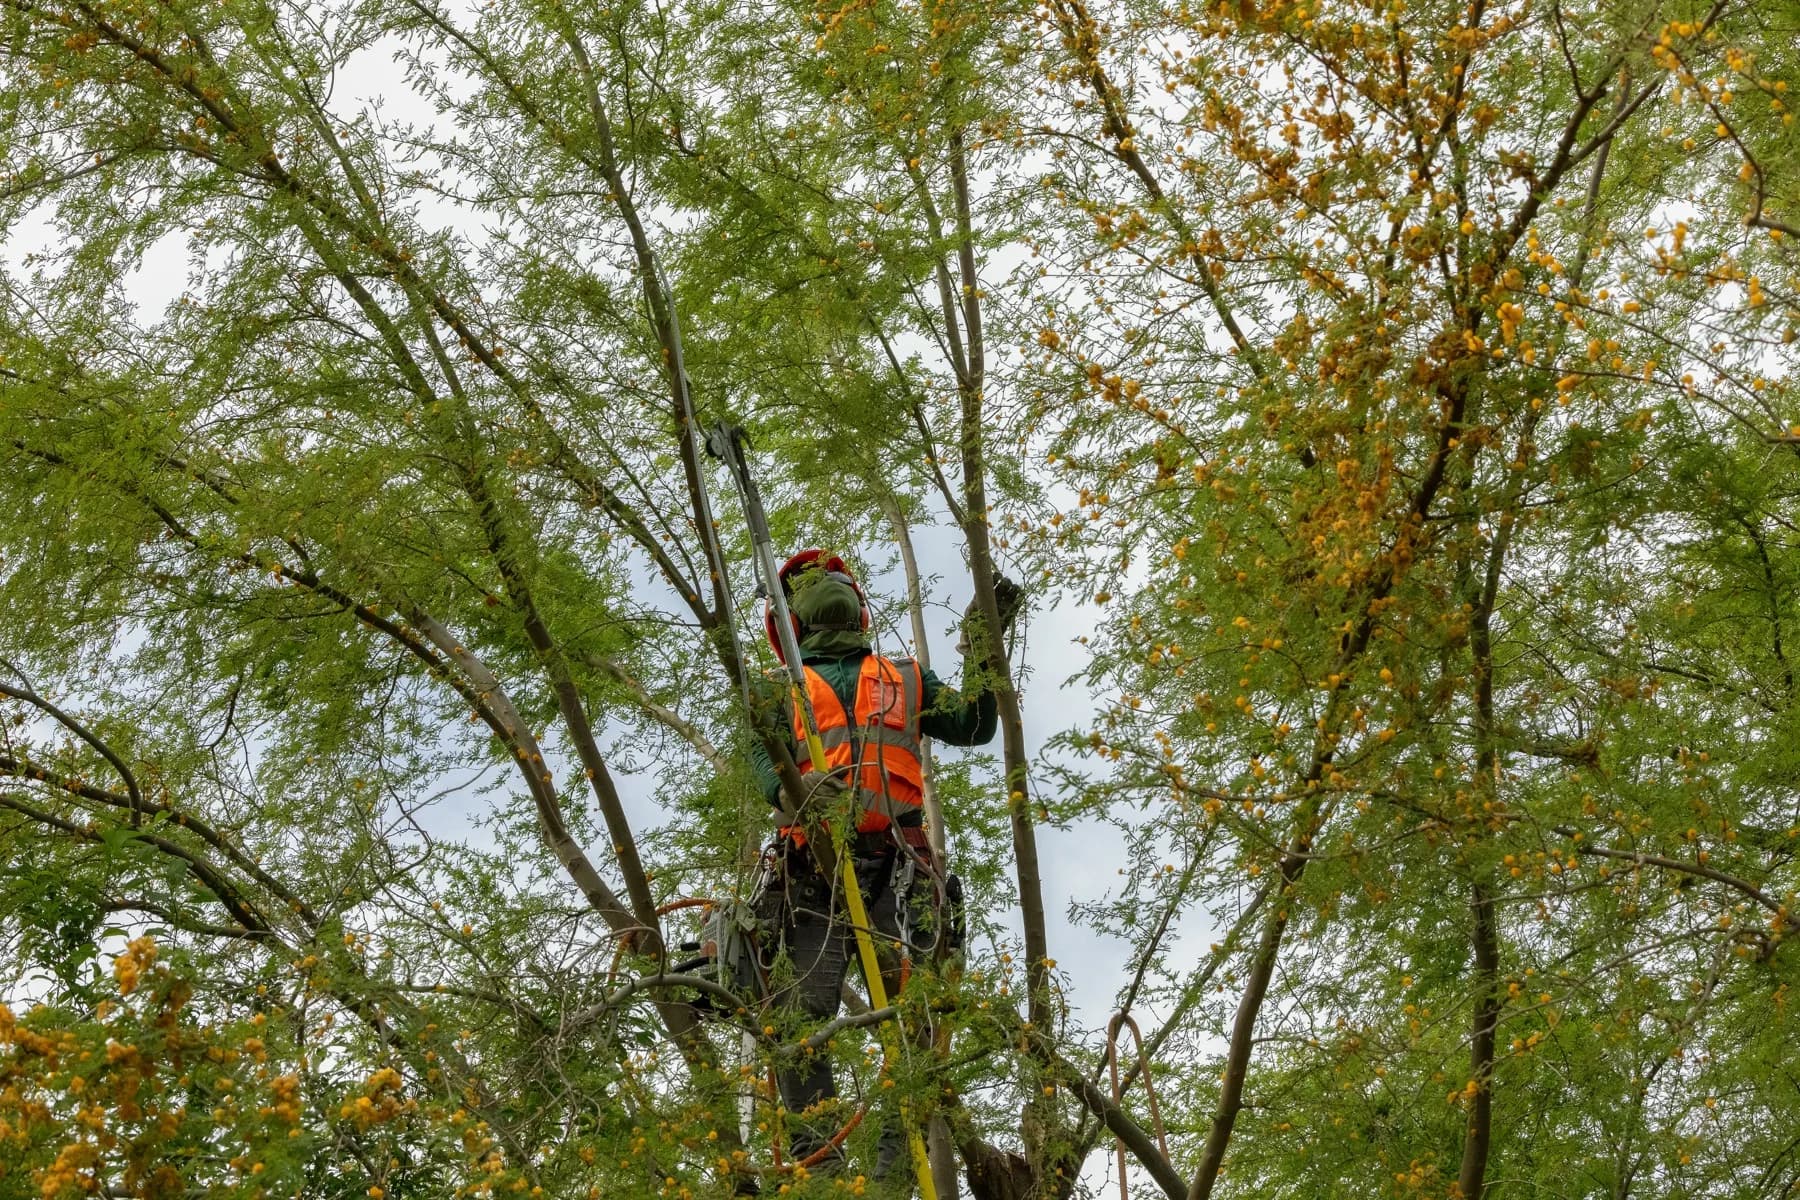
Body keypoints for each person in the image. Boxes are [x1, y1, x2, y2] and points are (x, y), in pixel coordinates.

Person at [747, 550, 1020, 1189]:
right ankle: (822, 1171)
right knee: (801, 1015)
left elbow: (977, 724)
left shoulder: (905, 676)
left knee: (915, 1020)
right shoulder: (772, 689)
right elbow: (764, 770)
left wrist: (984, 646)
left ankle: (898, 1173)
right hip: (813, 875)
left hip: (900, 868)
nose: (824, 588)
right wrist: (797, 793)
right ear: (784, 618)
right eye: (807, 585)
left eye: (831, 578)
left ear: (859, 603)